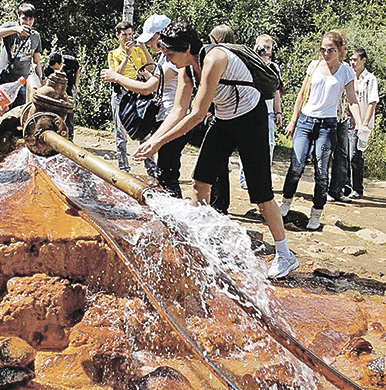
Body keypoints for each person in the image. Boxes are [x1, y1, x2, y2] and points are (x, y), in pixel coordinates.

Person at [133, 19, 299, 280]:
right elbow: (178, 110)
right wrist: (154, 138)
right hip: (224, 119)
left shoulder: (214, 58)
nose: (168, 59)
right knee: (201, 181)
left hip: (250, 118)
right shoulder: (187, 68)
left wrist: (159, 142)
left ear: (187, 47)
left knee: (261, 193)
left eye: (170, 54)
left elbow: (197, 114)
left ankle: (284, 254)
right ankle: (200, 245)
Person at [279, 30, 365, 230]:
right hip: (305, 122)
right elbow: (301, 95)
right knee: (296, 165)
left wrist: (359, 122)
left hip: (327, 125)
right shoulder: (314, 65)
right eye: (323, 49)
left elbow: (352, 99)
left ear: (340, 50)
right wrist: (293, 120)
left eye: (331, 50)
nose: (326, 54)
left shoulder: (346, 72)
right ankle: (285, 204)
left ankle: (316, 214)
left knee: (321, 171)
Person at [101, 14, 189, 197]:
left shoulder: (172, 59)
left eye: (150, 40)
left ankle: (175, 216)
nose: (148, 44)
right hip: (167, 117)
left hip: (172, 117)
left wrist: (116, 77)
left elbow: (147, 89)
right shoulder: (167, 58)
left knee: (168, 175)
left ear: (162, 35)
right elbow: (158, 78)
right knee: (166, 173)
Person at [107, 20, 158, 176]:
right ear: (118, 36)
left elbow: (151, 66)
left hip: (137, 92)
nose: (128, 38)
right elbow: (116, 75)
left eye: (130, 34)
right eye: (124, 35)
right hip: (121, 93)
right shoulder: (113, 54)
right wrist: (126, 56)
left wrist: (142, 45)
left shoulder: (138, 50)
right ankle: (123, 167)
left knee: (144, 129)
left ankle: (151, 167)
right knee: (120, 132)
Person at [238, 34, 283, 190]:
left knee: (269, 145)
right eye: (262, 46)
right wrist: (255, 55)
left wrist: (278, 112)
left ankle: (262, 179)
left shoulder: (273, 68)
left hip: (268, 111)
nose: (265, 50)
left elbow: (276, 91)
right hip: (249, 109)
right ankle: (245, 179)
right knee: (247, 144)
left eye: (268, 47)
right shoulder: (247, 62)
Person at [207, 24, 236, 213]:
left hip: (220, 114)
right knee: (221, 163)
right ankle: (221, 204)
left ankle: (217, 205)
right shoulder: (237, 58)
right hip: (237, 115)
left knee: (215, 163)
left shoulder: (217, 58)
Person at [0, 2, 42, 108]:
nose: (27, 23)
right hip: (4, 79)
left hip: (21, 81)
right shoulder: (10, 27)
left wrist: (40, 79)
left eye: (30, 19)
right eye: (24, 19)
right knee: (0, 110)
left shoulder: (36, 36)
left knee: (18, 114)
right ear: (19, 16)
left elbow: (36, 61)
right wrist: (15, 30)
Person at [347, 47, 379, 198]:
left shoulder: (370, 79)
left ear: (363, 60)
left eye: (355, 59)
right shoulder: (349, 77)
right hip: (347, 121)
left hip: (362, 122)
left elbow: (372, 102)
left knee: (355, 154)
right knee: (344, 154)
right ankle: (346, 185)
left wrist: (365, 124)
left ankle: (357, 188)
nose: (352, 62)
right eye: (351, 59)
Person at [327, 31, 353, 203]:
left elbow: (352, 95)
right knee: (323, 153)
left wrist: (353, 114)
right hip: (326, 117)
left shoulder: (347, 70)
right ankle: (322, 189)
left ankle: (337, 190)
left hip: (342, 116)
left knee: (342, 154)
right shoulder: (324, 65)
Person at [43, 51, 80, 141]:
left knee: (69, 110)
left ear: (61, 62)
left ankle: (70, 137)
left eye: (56, 68)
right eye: (53, 69)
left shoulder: (71, 61)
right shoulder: (47, 68)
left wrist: (77, 84)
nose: (55, 70)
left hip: (69, 86)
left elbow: (78, 69)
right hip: (55, 89)